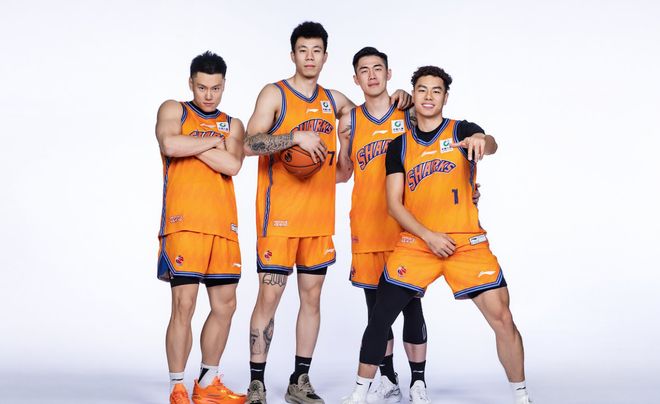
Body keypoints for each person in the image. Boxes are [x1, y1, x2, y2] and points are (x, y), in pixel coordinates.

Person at [341, 65, 532, 404]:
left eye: (436, 91)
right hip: (418, 242)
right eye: (422, 90)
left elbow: (491, 144)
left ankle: (521, 396)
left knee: (503, 318)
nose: (429, 96)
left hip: (466, 242)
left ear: (445, 97)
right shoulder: (399, 146)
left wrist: (482, 140)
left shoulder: (462, 131)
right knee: (380, 316)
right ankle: (358, 394)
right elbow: (394, 205)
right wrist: (428, 236)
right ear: (413, 95)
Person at [243, 23, 411, 404]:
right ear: (293, 55)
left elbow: (371, 111)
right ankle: (256, 384)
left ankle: (299, 380)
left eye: (316, 50)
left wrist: (401, 98)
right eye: (303, 50)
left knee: (312, 300)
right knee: (269, 298)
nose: (310, 57)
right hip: (278, 218)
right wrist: (295, 138)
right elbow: (249, 143)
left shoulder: (334, 101)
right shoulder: (275, 93)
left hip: (318, 219)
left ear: (325, 57)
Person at [155, 51, 246, 404]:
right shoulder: (174, 110)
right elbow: (169, 143)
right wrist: (211, 141)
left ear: (224, 86)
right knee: (184, 305)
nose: (209, 95)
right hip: (184, 224)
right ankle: (177, 386)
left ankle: (207, 383)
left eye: (216, 88)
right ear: (191, 83)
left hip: (223, 226)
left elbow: (233, 165)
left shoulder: (233, 124)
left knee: (226, 305)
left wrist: (190, 144)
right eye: (202, 87)